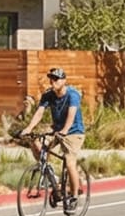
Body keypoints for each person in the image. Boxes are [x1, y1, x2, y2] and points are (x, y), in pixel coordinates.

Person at [18, 66, 86, 201]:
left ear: (64, 80)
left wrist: (65, 130)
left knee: (69, 162)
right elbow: (40, 112)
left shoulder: (73, 94)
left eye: (56, 79)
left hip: (74, 132)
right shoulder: (48, 95)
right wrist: (29, 128)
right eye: (51, 79)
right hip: (57, 131)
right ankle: (50, 174)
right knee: (36, 142)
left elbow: (71, 114)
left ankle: (74, 196)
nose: (53, 82)